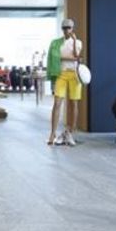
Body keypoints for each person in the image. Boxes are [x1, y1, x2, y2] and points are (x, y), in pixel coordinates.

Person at [47, 18, 83, 146]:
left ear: (73, 28)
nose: (67, 30)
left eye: (69, 27)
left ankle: (70, 132)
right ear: (62, 29)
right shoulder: (56, 43)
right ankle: (52, 133)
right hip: (61, 74)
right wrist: (71, 58)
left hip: (74, 74)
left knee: (74, 103)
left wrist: (74, 41)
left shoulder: (78, 42)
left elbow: (77, 56)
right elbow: (55, 57)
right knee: (57, 103)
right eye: (64, 28)